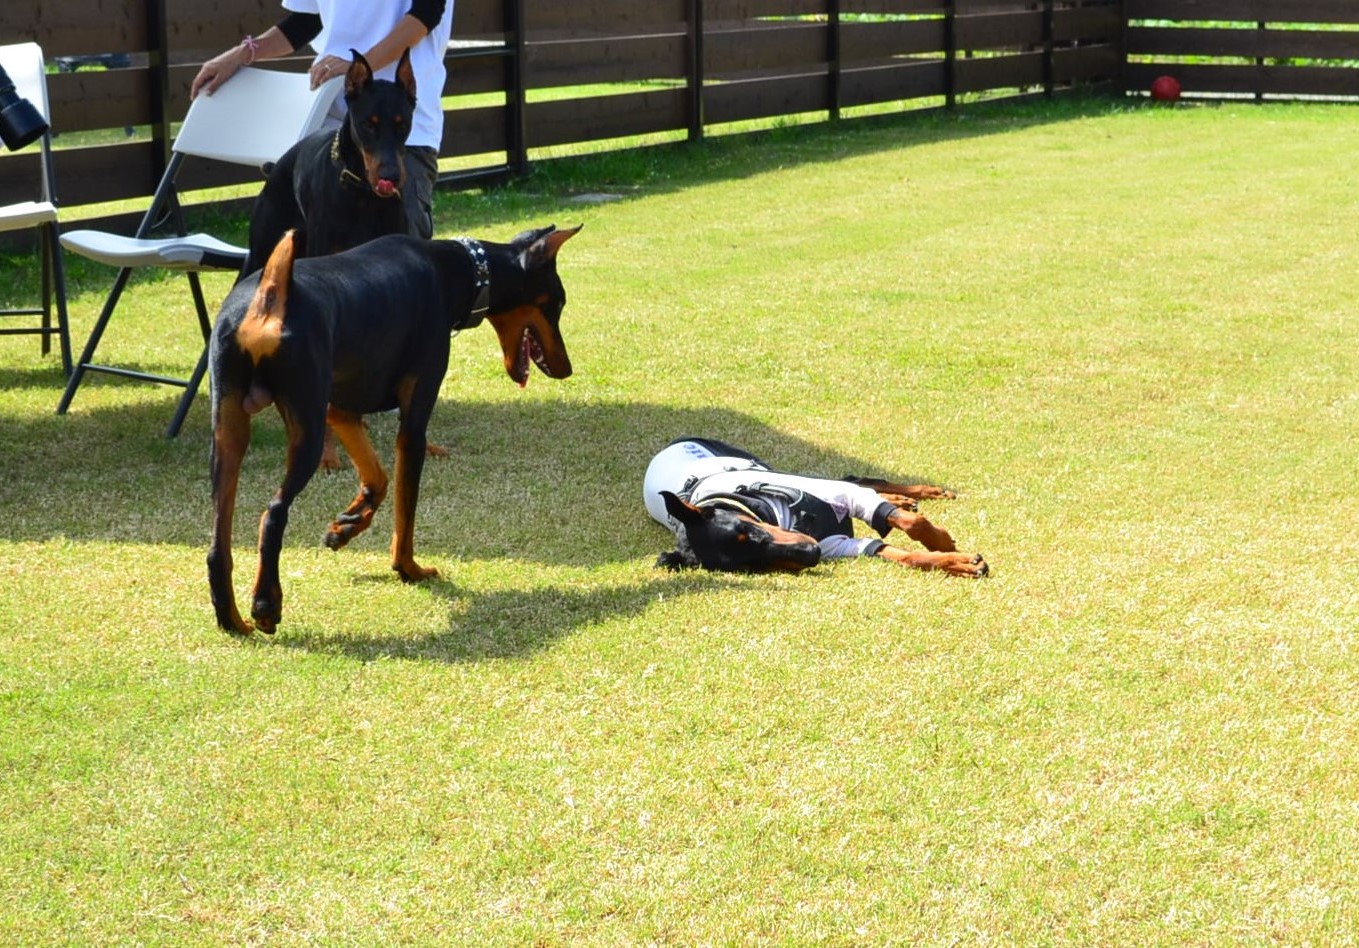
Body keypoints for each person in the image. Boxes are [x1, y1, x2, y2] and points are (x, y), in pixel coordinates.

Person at [190, 0, 453, 238]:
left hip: (402, 138)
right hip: (326, 132)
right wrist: (241, 54)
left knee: (400, 275)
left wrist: (358, 67)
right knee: (309, 271)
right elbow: (307, 21)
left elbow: (424, 17)